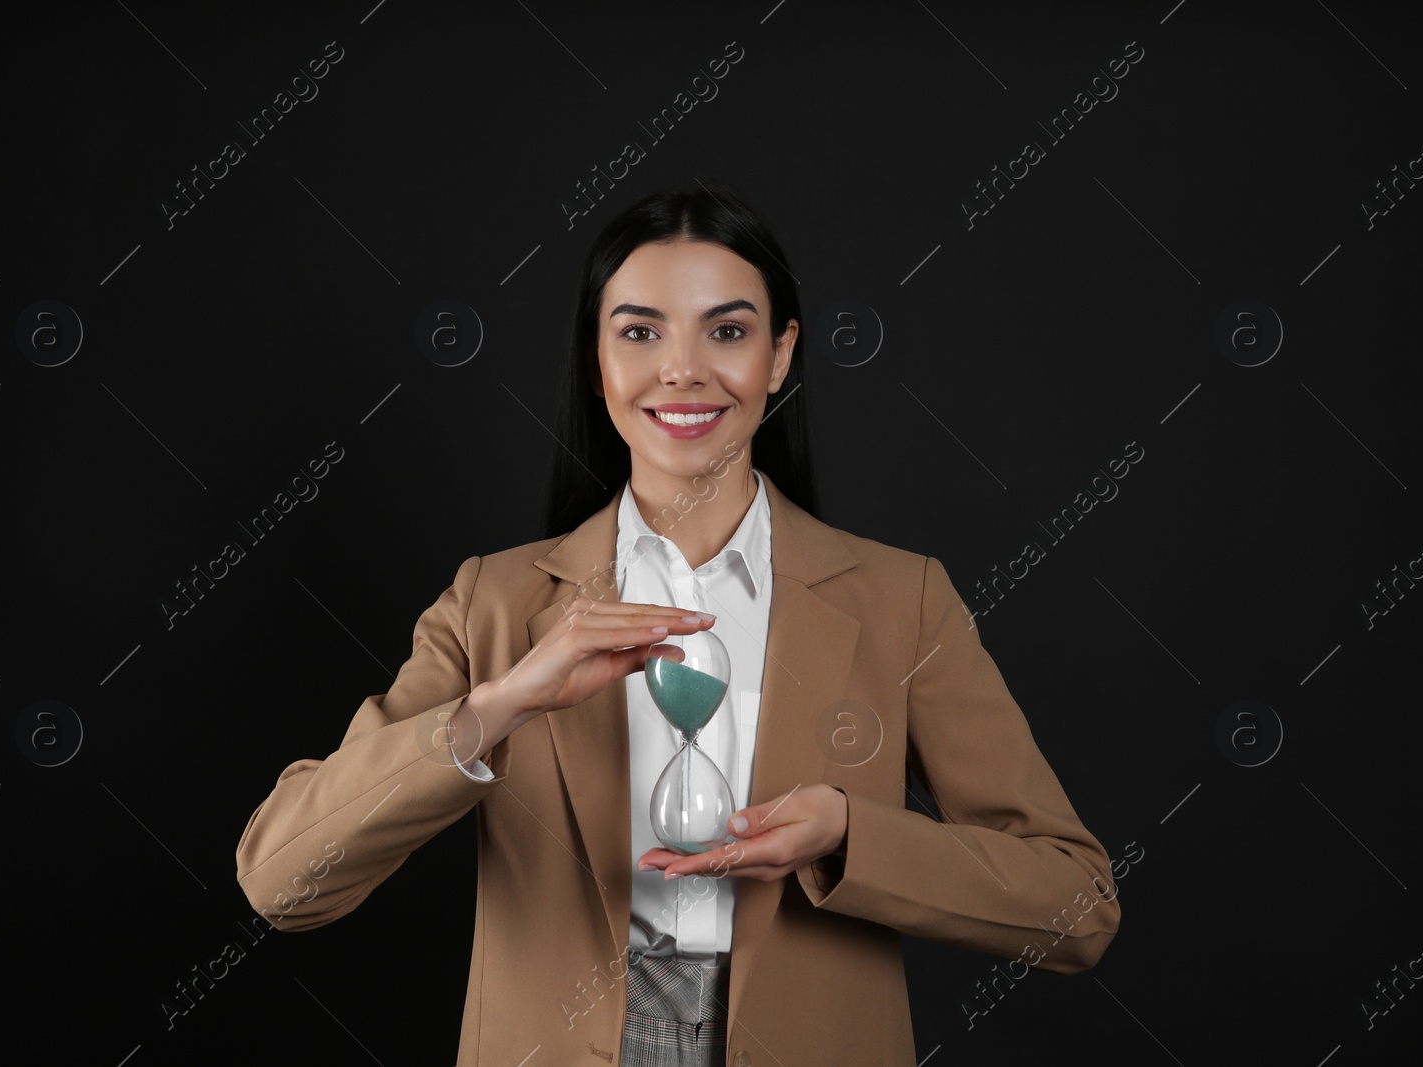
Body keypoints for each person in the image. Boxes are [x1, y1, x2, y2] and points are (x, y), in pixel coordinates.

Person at [235, 184, 1120, 1066]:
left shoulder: (901, 598)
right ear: (596, 361)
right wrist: (498, 706)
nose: (683, 369)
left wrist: (853, 835)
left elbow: (1077, 907)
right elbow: (281, 879)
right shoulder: (493, 602)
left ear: (781, 356)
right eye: (640, 330)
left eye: (727, 331)